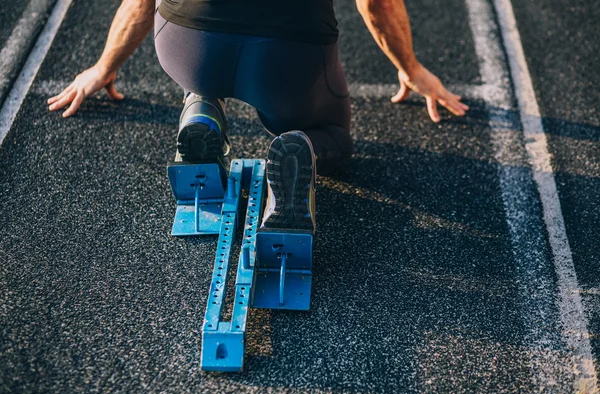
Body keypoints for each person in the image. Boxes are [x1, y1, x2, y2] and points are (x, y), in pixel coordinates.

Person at [47, 0, 468, 234]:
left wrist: (104, 65)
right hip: (287, 63)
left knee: (206, 55)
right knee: (334, 134)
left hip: (190, 47)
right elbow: (376, 3)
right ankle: (299, 149)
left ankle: (201, 109)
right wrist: (411, 68)